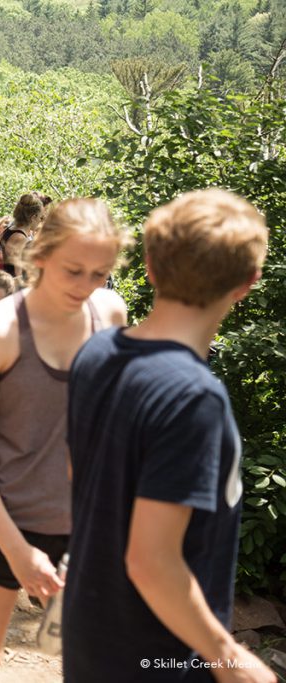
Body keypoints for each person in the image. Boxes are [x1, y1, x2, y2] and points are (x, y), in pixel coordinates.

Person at [64, 189, 274, 683]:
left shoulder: (96, 354)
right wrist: (232, 660)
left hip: (90, 638)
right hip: (161, 659)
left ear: (151, 266)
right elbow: (152, 561)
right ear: (248, 283)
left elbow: (80, 480)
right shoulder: (194, 399)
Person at [0, 198, 127, 683]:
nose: (86, 287)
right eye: (74, 271)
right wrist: (20, 552)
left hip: (78, 525)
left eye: (99, 274)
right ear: (39, 255)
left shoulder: (109, 313)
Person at [0, 193, 46, 279]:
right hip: (9, 288)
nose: (40, 221)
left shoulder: (9, 231)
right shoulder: (21, 239)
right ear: (33, 217)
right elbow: (18, 274)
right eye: (41, 218)